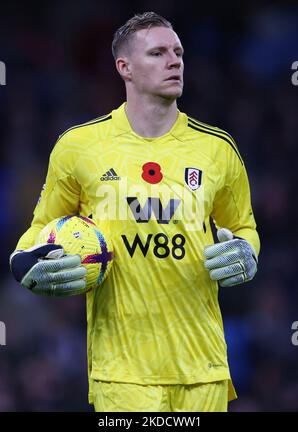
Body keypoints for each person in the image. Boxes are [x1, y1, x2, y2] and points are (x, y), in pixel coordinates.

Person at [9, 12, 260, 412]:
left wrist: (248, 253)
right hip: (121, 371)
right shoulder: (79, 147)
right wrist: (23, 263)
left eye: (178, 52)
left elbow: (243, 226)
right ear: (123, 67)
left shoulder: (218, 149)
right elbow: (39, 229)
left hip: (204, 366)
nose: (174, 61)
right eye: (158, 53)